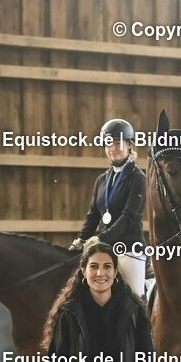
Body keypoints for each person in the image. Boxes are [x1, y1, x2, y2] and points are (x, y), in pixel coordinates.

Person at [69, 119, 147, 298]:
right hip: (103, 248)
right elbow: (93, 215)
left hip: (128, 248)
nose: (113, 148)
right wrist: (81, 239)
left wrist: (101, 238)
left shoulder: (137, 178)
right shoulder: (102, 180)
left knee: (134, 296)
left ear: (129, 145)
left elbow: (129, 216)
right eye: (108, 143)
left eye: (118, 143)